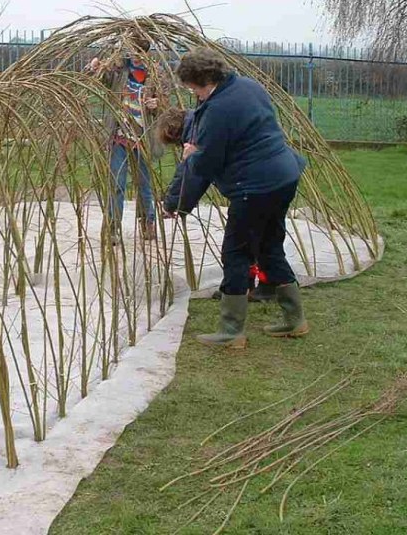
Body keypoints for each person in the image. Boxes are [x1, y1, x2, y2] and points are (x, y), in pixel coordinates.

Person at [163, 48, 308, 348]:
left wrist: (188, 166)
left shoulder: (218, 109)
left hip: (254, 186)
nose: (195, 95)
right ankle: (296, 320)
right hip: (284, 175)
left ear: (203, 80)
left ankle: (231, 331)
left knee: (236, 253)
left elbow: (206, 165)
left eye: (194, 88)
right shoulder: (249, 86)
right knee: (268, 246)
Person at [155, 107, 276, 303]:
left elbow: (193, 177)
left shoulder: (198, 137)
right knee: (260, 239)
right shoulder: (206, 122)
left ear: (173, 132)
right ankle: (264, 286)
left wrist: (172, 204)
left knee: (235, 247)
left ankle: (236, 291)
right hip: (273, 178)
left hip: (251, 188)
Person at [88, 35, 163, 242]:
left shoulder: (155, 73)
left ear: (146, 52)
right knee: (116, 183)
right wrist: (95, 68)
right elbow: (100, 80)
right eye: (132, 52)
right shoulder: (119, 70)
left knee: (145, 185)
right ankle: (113, 227)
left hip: (143, 138)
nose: (136, 57)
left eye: (140, 52)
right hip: (119, 136)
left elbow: (165, 104)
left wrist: (156, 104)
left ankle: (148, 223)